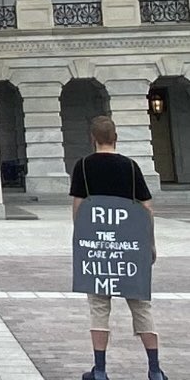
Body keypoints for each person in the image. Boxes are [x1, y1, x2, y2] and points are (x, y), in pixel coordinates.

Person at [70, 116, 167, 380]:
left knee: (99, 308)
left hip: (99, 247)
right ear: (116, 138)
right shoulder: (130, 166)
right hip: (130, 246)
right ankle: (154, 369)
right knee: (141, 307)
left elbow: (79, 206)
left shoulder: (84, 167)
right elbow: (147, 207)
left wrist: (81, 239)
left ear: (93, 138)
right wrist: (151, 243)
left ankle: (100, 371)